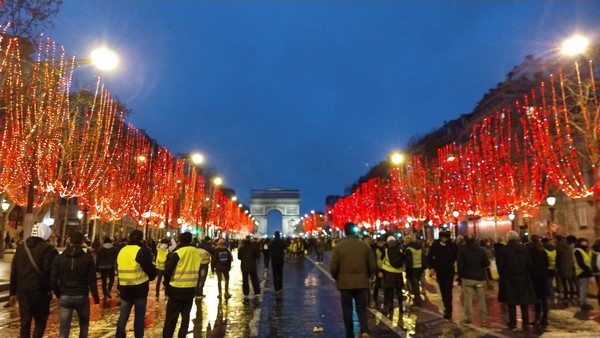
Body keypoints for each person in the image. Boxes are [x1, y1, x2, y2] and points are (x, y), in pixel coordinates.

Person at [9, 222, 58, 338]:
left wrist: (13, 292)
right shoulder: (47, 249)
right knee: (41, 319)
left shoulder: (21, 248)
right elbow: (49, 272)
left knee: (25, 322)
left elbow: (14, 271)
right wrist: (54, 290)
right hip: (40, 291)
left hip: (23, 291)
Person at [330, 222, 377, 338]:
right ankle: (365, 330)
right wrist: (369, 276)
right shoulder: (364, 245)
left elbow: (333, 267)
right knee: (362, 308)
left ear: (345, 232)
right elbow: (372, 265)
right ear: (355, 231)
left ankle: (349, 333)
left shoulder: (339, 246)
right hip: (361, 282)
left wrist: (337, 277)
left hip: (345, 283)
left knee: (347, 310)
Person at [50, 232, 100, 338]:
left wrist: (58, 293)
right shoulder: (87, 258)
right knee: (84, 325)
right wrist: (96, 297)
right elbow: (92, 280)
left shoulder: (60, 258)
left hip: (65, 295)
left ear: (69, 241)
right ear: (82, 242)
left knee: (64, 328)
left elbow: (53, 279)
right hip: (81, 295)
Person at [115, 230, 158, 338]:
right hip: (139, 288)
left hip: (125, 287)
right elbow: (148, 267)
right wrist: (153, 275)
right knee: (139, 317)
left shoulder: (122, 250)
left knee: (123, 316)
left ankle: (119, 335)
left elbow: (118, 266)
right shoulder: (141, 251)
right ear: (141, 238)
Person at [162, 232, 201, 338]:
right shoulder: (196, 252)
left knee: (171, 317)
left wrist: (166, 283)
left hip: (177, 287)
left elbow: (168, 270)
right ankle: (182, 335)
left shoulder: (178, 253)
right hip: (191, 288)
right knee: (186, 316)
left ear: (180, 240)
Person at [496, 231, 536, 331]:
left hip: (509, 277)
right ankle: (525, 320)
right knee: (524, 300)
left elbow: (500, 265)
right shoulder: (524, 249)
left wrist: (503, 275)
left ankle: (512, 322)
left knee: (511, 301)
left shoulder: (504, 250)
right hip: (523, 277)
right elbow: (530, 264)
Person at [457, 235, 490, 326]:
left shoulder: (462, 250)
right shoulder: (480, 250)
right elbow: (486, 263)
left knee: (468, 299)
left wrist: (460, 277)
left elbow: (460, 265)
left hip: (467, 278)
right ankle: (483, 320)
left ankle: (468, 318)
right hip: (479, 278)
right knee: (481, 299)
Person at [426, 230, 457, 320]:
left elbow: (457, 256)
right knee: (443, 290)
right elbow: (429, 257)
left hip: (449, 271)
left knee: (448, 290)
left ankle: (448, 310)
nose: (444, 239)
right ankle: (446, 305)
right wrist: (431, 267)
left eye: (445, 237)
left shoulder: (452, 246)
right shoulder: (436, 245)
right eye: (442, 237)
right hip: (439, 271)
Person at [527, 235, 550, 327]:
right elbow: (547, 263)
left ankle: (537, 317)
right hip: (543, 277)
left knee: (536, 298)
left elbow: (529, 264)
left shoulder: (531, 251)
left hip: (534, 277)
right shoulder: (543, 251)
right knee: (544, 298)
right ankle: (545, 317)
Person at [380, 236, 405, 318]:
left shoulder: (386, 250)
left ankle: (391, 306)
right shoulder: (400, 248)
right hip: (398, 272)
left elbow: (382, 260)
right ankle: (401, 306)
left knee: (390, 290)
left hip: (389, 272)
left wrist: (381, 270)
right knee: (399, 290)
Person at [404, 235, 425, 306]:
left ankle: (418, 302)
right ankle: (417, 300)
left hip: (413, 270)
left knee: (414, 287)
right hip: (419, 269)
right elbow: (423, 258)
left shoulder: (409, 249)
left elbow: (409, 262)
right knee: (416, 286)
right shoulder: (419, 248)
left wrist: (407, 273)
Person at [573, 237, 593, 311]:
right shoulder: (578, 250)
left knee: (585, 288)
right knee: (583, 289)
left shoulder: (583, 250)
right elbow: (580, 262)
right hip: (582, 272)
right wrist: (587, 269)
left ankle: (584, 303)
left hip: (585, 271)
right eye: (584, 242)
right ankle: (583, 304)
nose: (586, 243)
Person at [371, 236, 386, 308]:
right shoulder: (374, 249)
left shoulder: (385, 248)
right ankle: (375, 298)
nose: (381, 244)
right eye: (380, 242)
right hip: (378, 269)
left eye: (382, 242)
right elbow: (374, 260)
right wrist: (378, 270)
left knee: (385, 285)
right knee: (377, 284)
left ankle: (386, 299)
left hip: (385, 268)